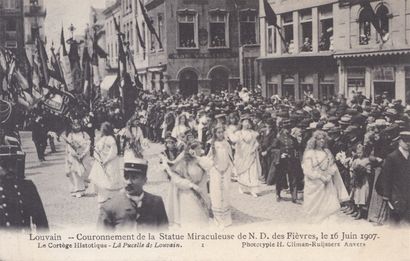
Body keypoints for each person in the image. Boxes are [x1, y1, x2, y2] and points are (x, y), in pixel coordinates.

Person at [98, 158, 168, 231]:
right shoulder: (109, 206)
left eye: (134, 177)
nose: (128, 182)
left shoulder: (156, 203)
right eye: (126, 177)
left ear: (144, 180)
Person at [302, 130, 349, 223]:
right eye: (319, 139)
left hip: (327, 182)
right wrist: (320, 177)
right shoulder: (309, 153)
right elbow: (307, 170)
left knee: (329, 208)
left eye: (323, 139)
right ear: (314, 140)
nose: (322, 141)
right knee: (313, 209)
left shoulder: (327, 152)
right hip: (314, 184)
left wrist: (329, 175)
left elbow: (332, 166)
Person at [164, 141, 212, 228]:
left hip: (201, 193)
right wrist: (190, 185)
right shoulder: (183, 163)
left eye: (200, 148)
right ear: (191, 150)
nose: (200, 150)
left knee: (201, 221)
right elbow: (176, 179)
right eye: (198, 148)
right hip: (187, 195)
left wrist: (197, 157)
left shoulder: (201, 160)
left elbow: (210, 165)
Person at [376, 131, 410, 225]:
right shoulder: (392, 157)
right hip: (396, 195)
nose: (408, 143)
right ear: (399, 141)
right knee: (395, 221)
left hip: (407, 194)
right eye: (405, 140)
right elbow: (387, 178)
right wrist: (386, 195)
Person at [89, 122, 123, 206]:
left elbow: (113, 152)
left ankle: (108, 198)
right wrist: (100, 160)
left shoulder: (108, 139)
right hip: (105, 162)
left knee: (108, 179)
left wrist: (104, 160)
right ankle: (104, 198)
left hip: (108, 162)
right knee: (104, 180)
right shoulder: (105, 139)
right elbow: (96, 151)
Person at [227, 114, 261, 197]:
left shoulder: (253, 133)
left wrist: (254, 148)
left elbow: (256, 143)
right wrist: (229, 132)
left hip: (251, 154)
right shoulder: (238, 133)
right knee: (243, 171)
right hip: (241, 155)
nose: (247, 123)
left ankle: (253, 189)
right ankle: (242, 187)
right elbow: (234, 140)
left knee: (252, 172)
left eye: (248, 122)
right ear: (241, 123)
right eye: (245, 122)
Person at [207, 124, 233, 227]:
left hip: (226, 170)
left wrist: (230, 168)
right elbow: (209, 157)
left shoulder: (227, 144)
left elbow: (230, 156)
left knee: (226, 192)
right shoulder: (212, 144)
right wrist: (212, 167)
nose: (220, 134)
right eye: (218, 132)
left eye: (222, 132)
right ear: (215, 133)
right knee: (216, 193)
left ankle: (226, 218)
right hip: (216, 171)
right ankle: (218, 219)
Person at [64, 119, 90, 198]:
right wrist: (75, 154)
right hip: (73, 157)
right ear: (72, 125)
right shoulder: (70, 135)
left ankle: (82, 189)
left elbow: (88, 144)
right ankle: (76, 189)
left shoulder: (84, 134)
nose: (77, 127)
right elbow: (69, 147)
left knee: (82, 172)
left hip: (83, 155)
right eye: (75, 125)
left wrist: (83, 154)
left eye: (78, 125)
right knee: (74, 172)